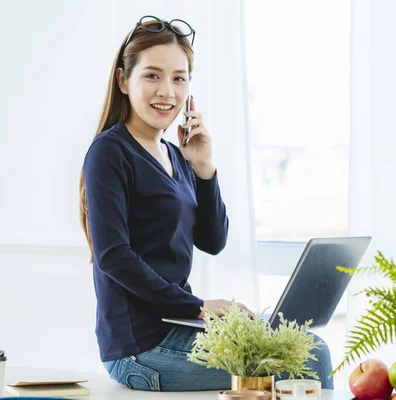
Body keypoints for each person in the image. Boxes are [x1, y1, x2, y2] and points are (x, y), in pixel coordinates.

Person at [78, 16, 333, 391]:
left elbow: (213, 240)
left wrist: (204, 168)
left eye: (179, 78)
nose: (167, 91)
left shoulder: (174, 154)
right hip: (140, 349)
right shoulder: (109, 152)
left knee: (302, 341)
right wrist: (196, 306)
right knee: (309, 353)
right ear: (122, 81)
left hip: (180, 328)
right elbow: (113, 255)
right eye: (152, 75)